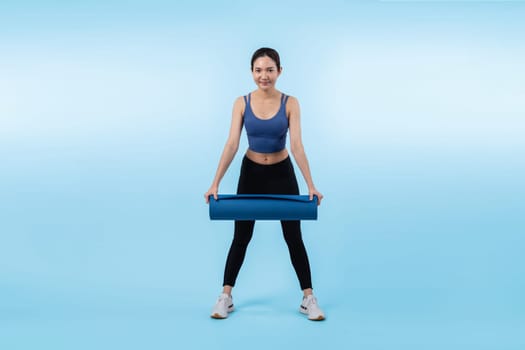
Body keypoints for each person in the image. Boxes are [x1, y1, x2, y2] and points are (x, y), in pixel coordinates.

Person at [204, 47, 325, 321]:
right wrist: (215, 183)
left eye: (270, 70)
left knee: (293, 236)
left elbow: (297, 145)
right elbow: (232, 143)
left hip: (282, 173)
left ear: (279, 71)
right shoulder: (241, 102)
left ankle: (308, 298)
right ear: (252, 72)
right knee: (241, 236)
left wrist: (311, 185)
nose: (264, 76)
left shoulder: (291, 102)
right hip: (251, 173)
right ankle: (226, 296)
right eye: (258, 70)